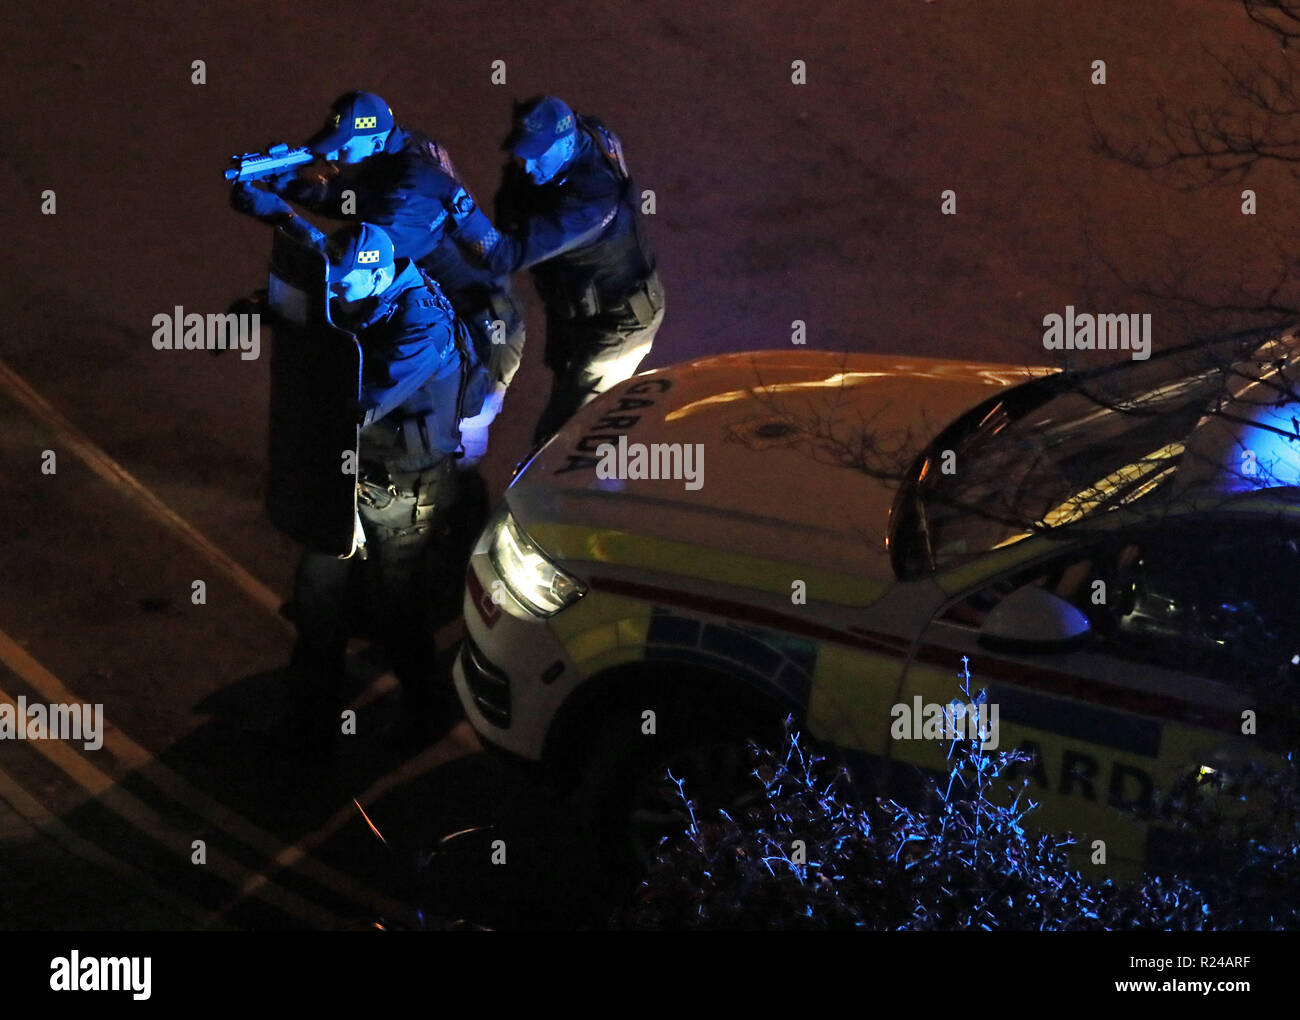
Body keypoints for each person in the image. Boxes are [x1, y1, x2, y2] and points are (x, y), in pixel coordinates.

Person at [230, 213, 489, 753]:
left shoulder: (422, 327)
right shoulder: (367, 284)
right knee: (317, 595)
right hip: (358, 479)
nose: (337, 296)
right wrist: (274, 312)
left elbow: (361, 402)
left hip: (404, 489)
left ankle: (426, 708)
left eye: (343, 288)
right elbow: (320, 300)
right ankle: (308, 724)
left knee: (394, 606)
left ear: (375, 277)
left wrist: (304, 376)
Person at [250, 89, 524, 459]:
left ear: (375, 139)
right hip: (444, 310)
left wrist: (279, 213)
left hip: (482, 331)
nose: (332, 157)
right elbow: (350, 200)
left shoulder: (407, 195)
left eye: (343, 148)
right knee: (403, 421)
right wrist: (286, 183)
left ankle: (454, 504)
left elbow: (349, 264)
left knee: (450, 439)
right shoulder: (402, 150)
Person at [459, 95, 664, 445]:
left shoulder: (589, 199)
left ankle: (582, 491)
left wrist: (457, 206)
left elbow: (505, 254)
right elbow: (511, 212)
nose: (526, 167)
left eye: (537, 156)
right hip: (578, 311)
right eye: (522, 154)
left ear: (567, 144)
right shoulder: (563, 152)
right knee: (567, 389)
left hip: (618, 323)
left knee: (574, 432)